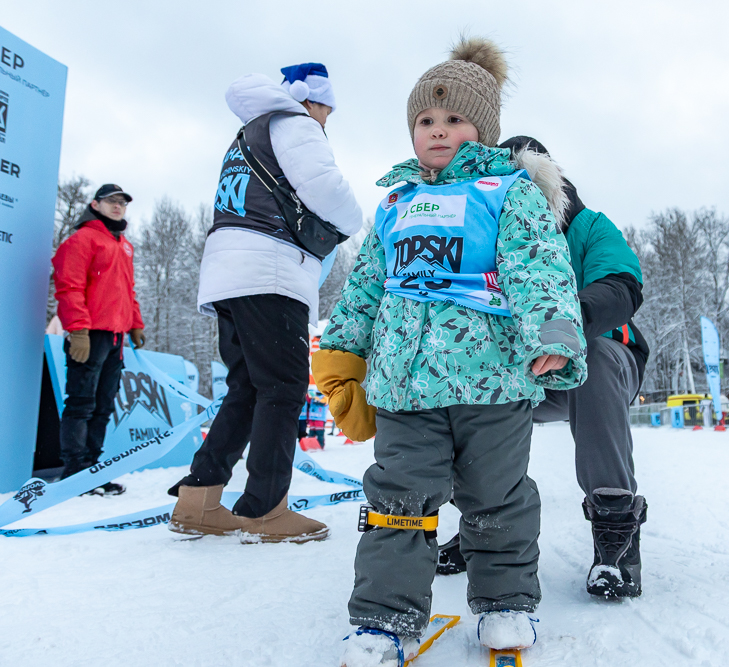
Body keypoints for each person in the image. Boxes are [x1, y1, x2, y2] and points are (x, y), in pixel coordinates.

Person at [312, 39, 588, 666]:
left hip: (493, 384)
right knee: (396, 501)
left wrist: (553, 335)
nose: (438, 131)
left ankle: (506, 604)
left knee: (497, 498)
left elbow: (540, 268)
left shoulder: (508, 193)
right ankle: (384, 618)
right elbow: (366, 288)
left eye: (454, 119)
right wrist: (341, 354)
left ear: (484, 129)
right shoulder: (395, 204)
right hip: (407, 389)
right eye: (425, 121)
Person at [436, 137, 650, 601]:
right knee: (455, 383)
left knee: (589, 355)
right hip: (520, 370)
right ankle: (480, 524)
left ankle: (616, 534)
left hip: (603, 359)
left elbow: (620, 285)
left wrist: (561, 325)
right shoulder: (487, 233)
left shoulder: (588, 226)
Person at [166, 63, 363, 542]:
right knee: (283, 387)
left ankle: (200, 497)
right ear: (311, 101)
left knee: (247, 388)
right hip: (270, 269)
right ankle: (265, 509)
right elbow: (327, 190)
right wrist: (354, 221)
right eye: (326, 110)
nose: (325, 121)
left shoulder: (247, 134)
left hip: (227, 271)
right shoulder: (296, 125)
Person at [51, 184, 145, 495]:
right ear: (95, 204)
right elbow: (69, 286)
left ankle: (91, 471)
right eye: (111, 201)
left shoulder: (123, 245)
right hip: (89, 335)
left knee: (103, 406)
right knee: (81, 403)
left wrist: (135, 324)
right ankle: (74, 473)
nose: (118, 206)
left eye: (122, 202)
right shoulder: (82, 239)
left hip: (116, 337)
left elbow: (127, 291)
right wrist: (77, 329)